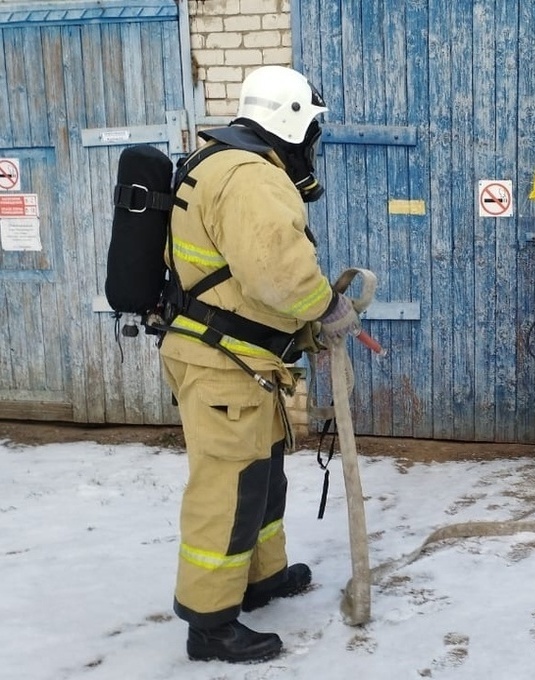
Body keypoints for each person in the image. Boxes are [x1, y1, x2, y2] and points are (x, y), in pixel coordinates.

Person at [157, 65, 362, 664]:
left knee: (263, 474)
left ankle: (260, 577)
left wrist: (303, 331)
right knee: (230, 487)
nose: (313, 143)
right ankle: (211, 621)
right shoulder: (251, 178)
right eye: (312, 128)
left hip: (240, 359)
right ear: (291, 120)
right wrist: (327, 309)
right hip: (225, 362)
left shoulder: (218, 161)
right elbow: (280, 275)